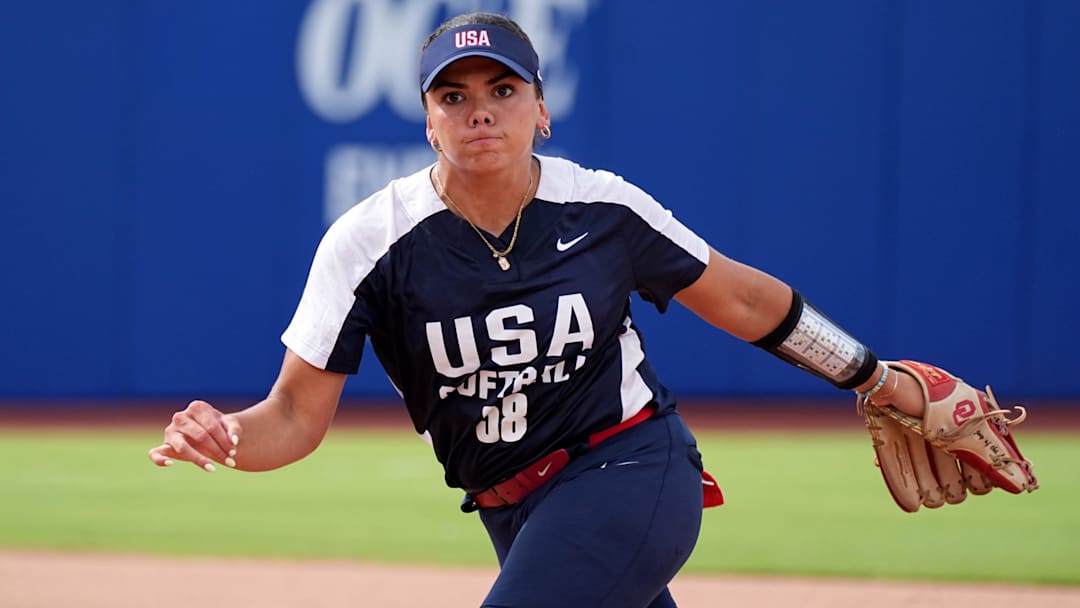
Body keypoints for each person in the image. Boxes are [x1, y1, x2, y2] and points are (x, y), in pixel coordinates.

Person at [148, 11, 929, 607]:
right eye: (454, 95)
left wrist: (875, 377)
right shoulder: (369, 244)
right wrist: (227, 437)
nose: (479, 111)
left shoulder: (603, 209)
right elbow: (292, 414)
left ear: (541, 112)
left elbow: (745, 298)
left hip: (630, 465)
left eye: (503, 90)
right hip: (511, 511)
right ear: (428, 121)